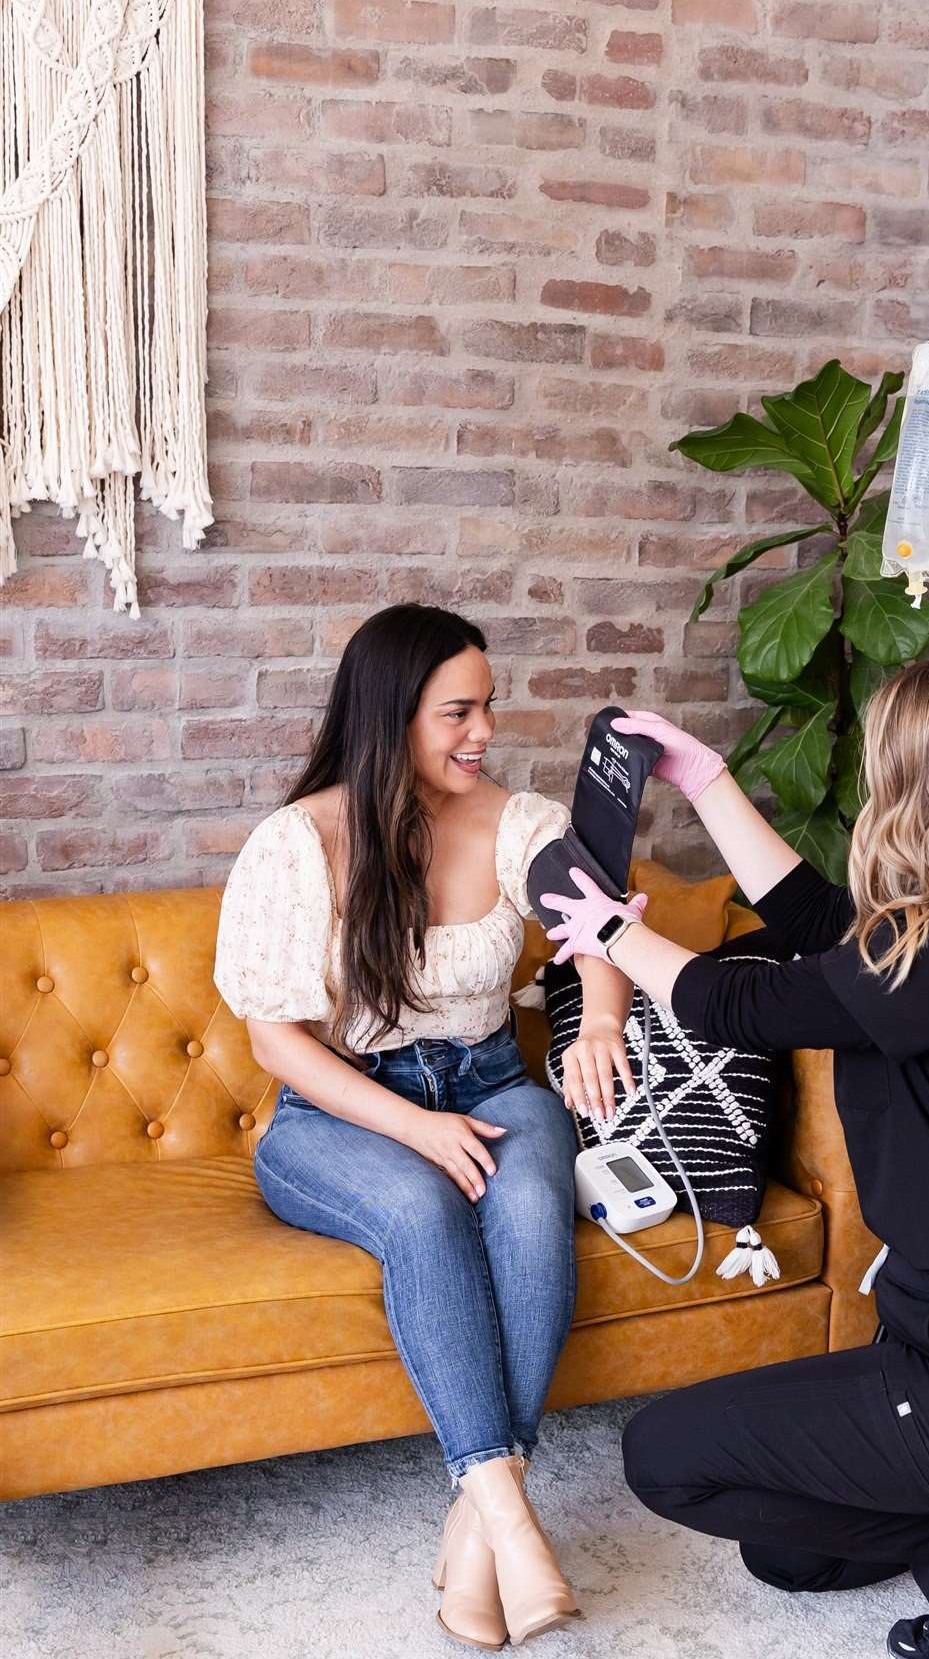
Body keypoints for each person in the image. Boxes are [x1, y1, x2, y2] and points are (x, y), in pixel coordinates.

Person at [539, 654, 929, 1659]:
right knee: (788, 1552)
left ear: (923, 784)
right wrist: (705, 779)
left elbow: (738, 1004)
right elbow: (812, 922)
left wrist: (612, 934)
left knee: (664, 1458)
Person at [214, 604, 638, 1650]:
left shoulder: (519, 821)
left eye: (488, 704)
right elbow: (276, 1042)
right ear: (391, 714)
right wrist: (413, 1126)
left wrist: (602, 1020)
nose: (484, 729)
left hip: (493, 1081)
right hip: (340, 1109)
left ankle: (479, 1525)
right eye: (458, 711)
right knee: (423, 1208)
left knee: (530, 1204)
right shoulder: (299, 842)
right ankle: (515, 1525)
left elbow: (599, 932)